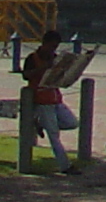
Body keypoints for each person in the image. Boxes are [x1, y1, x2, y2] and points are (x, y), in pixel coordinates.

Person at [20, 29, 75, 173]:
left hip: (55, 98)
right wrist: (43, 68)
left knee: (72, 122)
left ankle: (40, 122)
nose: (53, 50)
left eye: (55, 47)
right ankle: (65, 166)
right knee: (54, 135)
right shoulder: (32, 58)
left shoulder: (55, 58)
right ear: (44, 44)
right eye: (51, 46)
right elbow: (26, 75)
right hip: (42, 100)